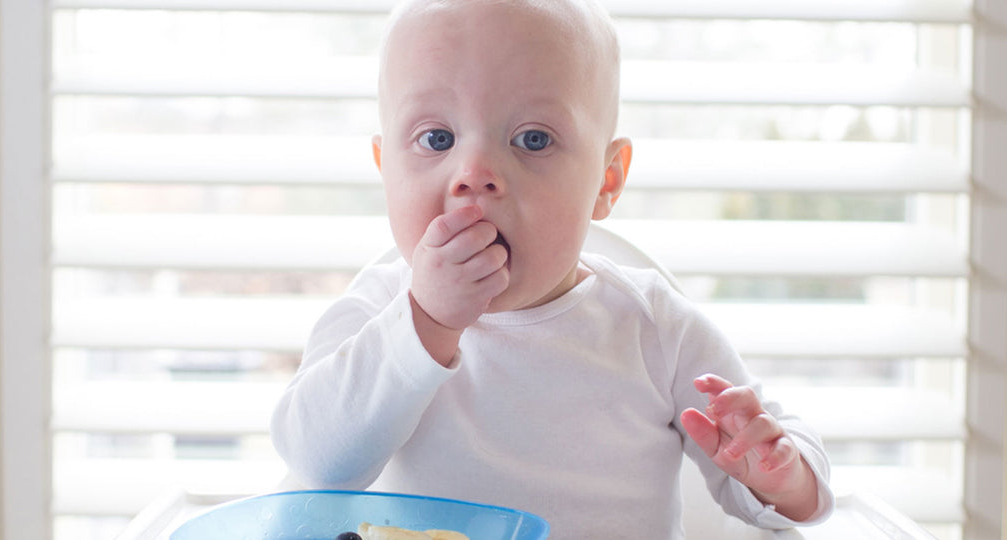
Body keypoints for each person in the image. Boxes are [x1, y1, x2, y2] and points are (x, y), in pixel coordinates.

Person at [271, 0, 834, 537]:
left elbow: (779, 473)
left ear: (606, 181)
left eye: (532, 139)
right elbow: (319, 464)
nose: (474, 173)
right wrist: (425, 323)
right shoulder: (378, 310)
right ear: (384, 168)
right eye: (436, 139)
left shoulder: (654, 329)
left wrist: (780, 477)